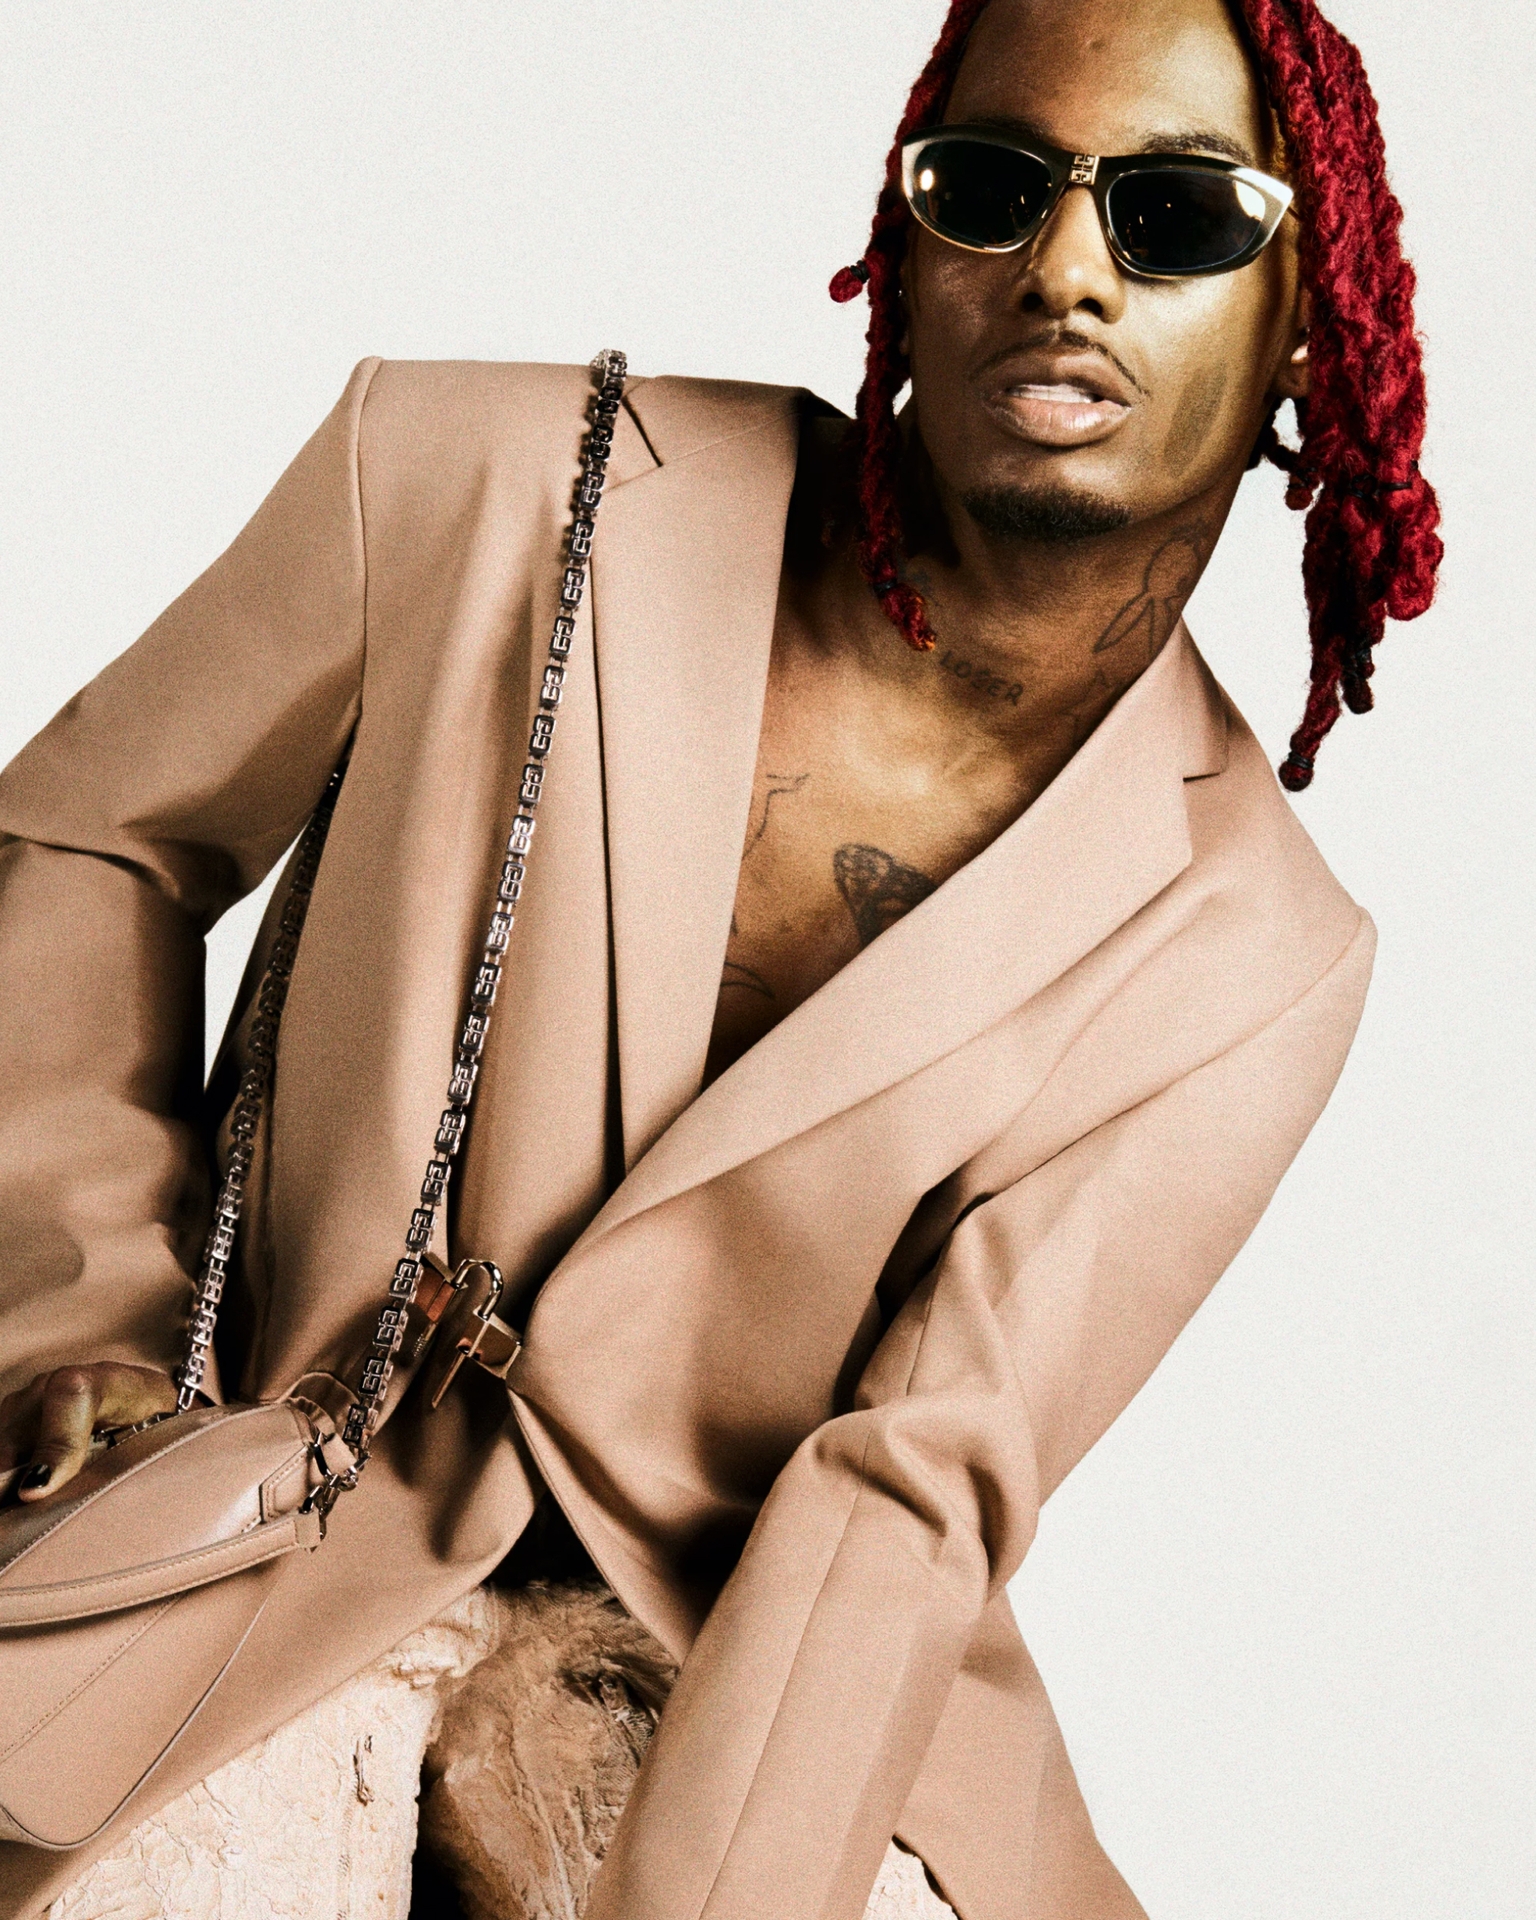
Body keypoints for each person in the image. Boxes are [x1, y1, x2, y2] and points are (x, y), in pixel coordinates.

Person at [0, 0, 1440, 1913]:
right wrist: (84, 1310)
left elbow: (912, 1487)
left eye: (1178, 216)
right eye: (991, 188)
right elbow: (91, 836)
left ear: (1310, 321)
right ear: (906, 245)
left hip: (765, 1701)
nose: (1066, 271)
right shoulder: (488, 476)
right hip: (246, 1547)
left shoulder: (1259, 949)